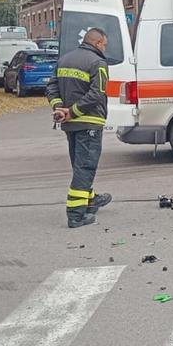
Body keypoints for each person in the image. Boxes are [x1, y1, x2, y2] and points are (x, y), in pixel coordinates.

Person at [46, 28, 113, 228]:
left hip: (70, 124)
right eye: (104, 44)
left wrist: (59, 108)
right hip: (89, 122)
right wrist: (73, 111)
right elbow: (96, 95)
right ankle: (76, 215)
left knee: (79, 164)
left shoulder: (64, 60)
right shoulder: (98, 63)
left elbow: (51, 87)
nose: (105, 48)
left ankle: (89, 199)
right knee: (85, 167)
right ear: (98, 42)